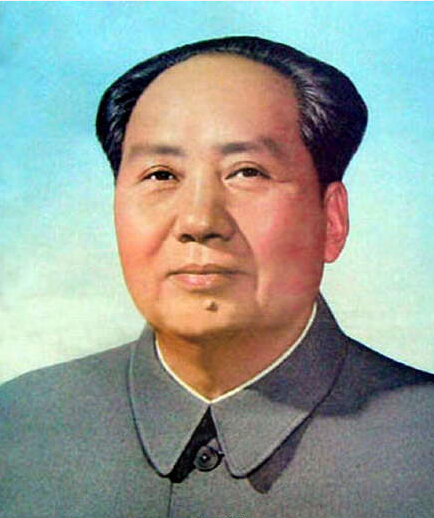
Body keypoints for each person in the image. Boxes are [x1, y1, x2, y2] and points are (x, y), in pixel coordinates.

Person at [1, 36, 433, 518]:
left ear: (332, 219)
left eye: (247, 172)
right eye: (161, 175)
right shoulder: (17, 420)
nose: (199, 221)